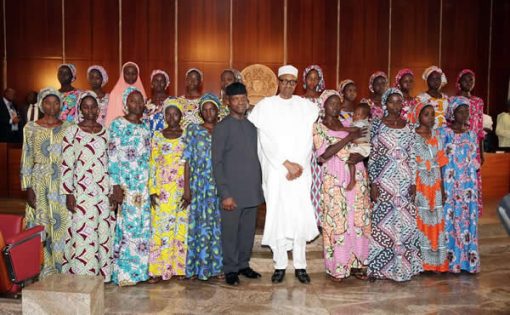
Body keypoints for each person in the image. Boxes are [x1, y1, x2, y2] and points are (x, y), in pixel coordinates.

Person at [248, 65, 319, 284]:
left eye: (292, 82)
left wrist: (297, 166)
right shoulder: (266, 106)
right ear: (278, 82)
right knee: (278, 216)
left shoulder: (305, 107)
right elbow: (264, 140)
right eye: (284, 81)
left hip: (299, 172)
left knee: (298, 217)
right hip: (277, 172)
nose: (288, 85)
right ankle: (279, 265)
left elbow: (308, 139)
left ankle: (300, 266)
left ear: (296, 84)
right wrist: (285, 164)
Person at [313, 89, 371, 282]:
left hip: (357, 175)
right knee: (338, 223)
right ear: (323, 105)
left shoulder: (349, 123)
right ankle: (338, 268)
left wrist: (358, 156)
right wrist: (347, 137)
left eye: (338, 102)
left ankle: (358, 264)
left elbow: (365, 145)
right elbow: (323, 155)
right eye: (332, 103)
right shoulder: (318, 128)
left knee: (358, 221)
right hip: (335, 179)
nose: (336, 106)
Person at [367, 88, 422, 282]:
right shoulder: (376, 125)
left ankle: (404, 268)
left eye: (399, 102)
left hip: (404, 181)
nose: (396, 106)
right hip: (384, 181)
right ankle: (380, 268)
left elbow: (413, 156)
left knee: (404, 225)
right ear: (385, 104)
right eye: (392, 102)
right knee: (383, 225)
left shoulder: (409, 127)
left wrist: (414, 182)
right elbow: (372, 156)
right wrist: (373, 183)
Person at [212, 83, 264, 286]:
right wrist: (225, 193)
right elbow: (217, 163)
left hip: (251, 191)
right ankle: (231, 269)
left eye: (243, 98)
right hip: (231, 193)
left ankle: (243, 265)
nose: (241, 102)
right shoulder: (222, 128)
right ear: (228, 102)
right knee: (230, 234)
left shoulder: (252, 127)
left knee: (247, 233)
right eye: (236, 99)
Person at [60, 92, 114, 281]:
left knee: (102, 231)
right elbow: (67, 164)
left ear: (98, 109)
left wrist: (113, 189)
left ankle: (103, 273)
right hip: (81, 192)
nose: (90, 110)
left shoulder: (106, 132)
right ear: (80, 109)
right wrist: (68, 192)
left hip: (103, 191)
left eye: (93, 107)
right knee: (83, 230)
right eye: (86, 107)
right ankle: (83, 273)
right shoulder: (71, 132)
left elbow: (112, 162)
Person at [20, 87, 72, 277]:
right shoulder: (30, 127)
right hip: (39, 182)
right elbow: (26, 156)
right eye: (48, 102)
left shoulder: (68, 127)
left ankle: (62, 267)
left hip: (61, 182)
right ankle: (42, 269)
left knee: (61, 225)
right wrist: (27, 187)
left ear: (61, 105)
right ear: (41, 104)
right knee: (40, 225)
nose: (52, 106)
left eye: (56, 102)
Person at [108, 87, 151, 286]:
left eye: (140, 101)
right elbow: (112, 156)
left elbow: (149, 157)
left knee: (142, 228)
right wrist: (115, 186)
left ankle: (140, 272)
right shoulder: (117, 124)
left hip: (143, 186)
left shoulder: (146, 127)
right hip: (125, 186)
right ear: (126, 103)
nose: (137, 104)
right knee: (127, 229)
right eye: (133, 101)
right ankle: (125, 274)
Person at [148, 98, 189, 283]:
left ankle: (179, 269)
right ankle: (158, 269)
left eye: (176, 113)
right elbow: (152, 163)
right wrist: (152, 190)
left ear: (181, 115)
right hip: (163, 189)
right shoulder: (157, 135)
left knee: (180, 229)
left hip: (181, 188)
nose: (172, 117)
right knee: (160, 229)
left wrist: (188, 190)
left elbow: (190, 164)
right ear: (164, 116)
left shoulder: (188, 135)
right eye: (169, 113)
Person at [183, 93, 223, 280]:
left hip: (219, 185)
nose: (208, 113)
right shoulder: (193, 130)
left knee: (217, 227)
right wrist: (187, 189)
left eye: (212, 109)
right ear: (200, 112)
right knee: (198, 226)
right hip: (199, 185)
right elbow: (187, 161)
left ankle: (217, 268)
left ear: (218, 111)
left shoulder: (224, 130)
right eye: (204, 110)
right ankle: (195, 268)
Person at [440, 96, 480, 274]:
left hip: (469, 186)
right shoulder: (444, 133)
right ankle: (451, 262)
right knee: (450, 220)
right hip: (450, 183)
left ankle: (467, 262)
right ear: (452, 113)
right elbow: (440, 159)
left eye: (467, 111)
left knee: (468, 222)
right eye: (460, 111)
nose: (464, 114)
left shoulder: (472, 134)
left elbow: (475, 160)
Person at [412, 102, 449, 272]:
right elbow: (410, 163)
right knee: (420, 221)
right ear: (418, 116)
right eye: (426, 114)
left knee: (436, 222)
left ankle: (436, 264)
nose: (430, 117)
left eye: (432, 114)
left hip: (435, 183)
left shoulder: (437, 135)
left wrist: (442, 188)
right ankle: (421, 264)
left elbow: (441, 163)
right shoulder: (411, 136)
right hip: (420, 183)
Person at [456, 69, 485, 216]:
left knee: (473, 177)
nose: (469, 83)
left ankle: (471, 209)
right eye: (465, 80)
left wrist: (481, 151)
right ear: (459, 82)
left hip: (474, 148)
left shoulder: (479, 102)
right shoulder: (453, 101)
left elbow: (480, 129)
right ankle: (458, 209)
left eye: (471, 80)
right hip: (459, 146)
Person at [302, 65, 326, 227]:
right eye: (309, 78)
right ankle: (306, 220)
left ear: (319, 80)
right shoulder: (299, 100)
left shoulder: (324, 99)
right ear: (305, 80)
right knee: (305, 183)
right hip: (304, 146)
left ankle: (319, 220)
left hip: (321, 146)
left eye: (315, 78)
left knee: (321, 183)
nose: (312, 81)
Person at [104, 61, 147, 126]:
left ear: (137, 75)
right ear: (122, 74)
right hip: (119, 128)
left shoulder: (141, 92)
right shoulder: (115, 93)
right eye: (127, 73)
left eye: (133, 73)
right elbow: (110, 116)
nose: (130, 76)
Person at [144, 69, 171, 135]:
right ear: (151, 83)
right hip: (148, 139)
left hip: (165, 139)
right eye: (156, 80)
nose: (159, 83)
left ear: (166, 84)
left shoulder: (172, 101)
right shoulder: (144, 102)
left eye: (162, 81)